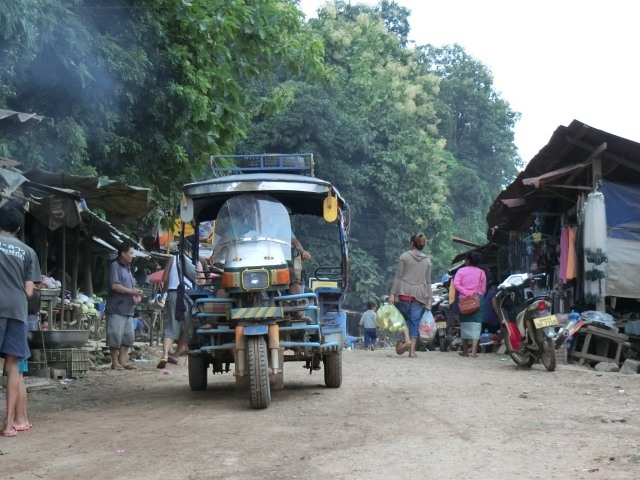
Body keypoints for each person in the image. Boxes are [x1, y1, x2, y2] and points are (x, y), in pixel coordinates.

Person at [0, 205, 41, 437]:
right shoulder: (28, 252)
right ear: (17, 228)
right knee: (13, 366)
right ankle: (8, 425)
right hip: (16, 310)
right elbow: (28, 291)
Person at [388, 233, 432, 358]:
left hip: (403, 293)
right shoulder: (427, 260)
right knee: (414, 323)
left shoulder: (404, 256)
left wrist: (392, 294)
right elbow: (428, 282)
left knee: (401, 320)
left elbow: (398, 277)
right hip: (419, 295)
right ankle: (412, 351)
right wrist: (429, 299)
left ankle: (405, 340)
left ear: (412, 243)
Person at [105, 240, 142, 371]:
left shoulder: (128, 268)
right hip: (116, 308)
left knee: (128, 337)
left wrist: (135, 294)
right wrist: (131, 291)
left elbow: (129, 285)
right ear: (123, 253)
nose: (133, 255)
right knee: (115, 335)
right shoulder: (114, 266)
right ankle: (115, 362)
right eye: (131, 253)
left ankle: (123, 360)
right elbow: (114, 286)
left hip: (128, 309)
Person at [156, 253, 190, 368]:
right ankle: (186, 359)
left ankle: (165, 355)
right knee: (187, 328)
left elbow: (165, 279)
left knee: (171, 325)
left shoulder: (173, 258)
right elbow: (201, 283)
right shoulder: (197, 260)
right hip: (189, 296)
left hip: (173, 294)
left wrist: (162, 295)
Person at [454, 251, 487, 357]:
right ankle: (473, 351)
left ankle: (465, 350)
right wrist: (474, 293)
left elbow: (456, 284)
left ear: (467, 261)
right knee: (477, 324)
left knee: (464, 324)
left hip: (464, 300)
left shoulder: (460, 271)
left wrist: (465, 292)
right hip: (477, 299)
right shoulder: (482, 272)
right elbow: (483, 289)